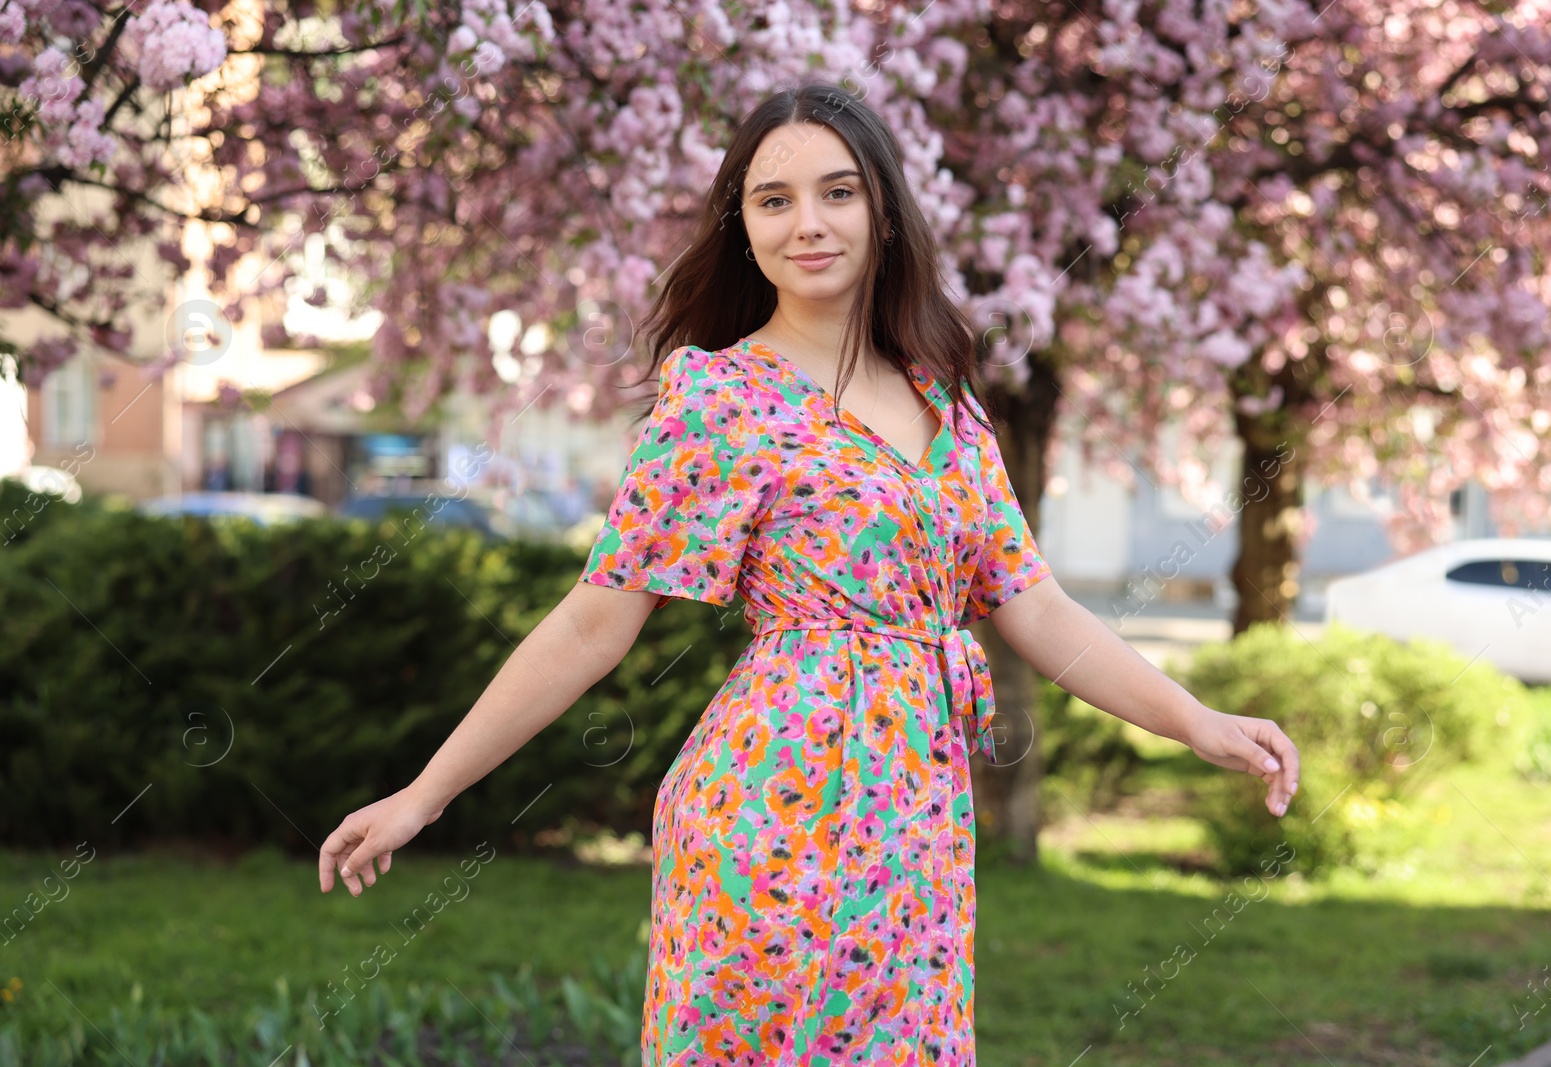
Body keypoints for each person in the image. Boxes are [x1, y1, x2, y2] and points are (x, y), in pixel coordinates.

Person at [317, 81, 1301, 1065]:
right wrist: (425, 792)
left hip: (917, 818)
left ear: (882, 209)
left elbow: (1031, 603)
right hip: (771, 814)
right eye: (772, 199)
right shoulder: (717, 399)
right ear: (741, 226)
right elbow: (592, 623)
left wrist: (1195, 721)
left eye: (837, 192)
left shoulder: (945, 399)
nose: (807, 223)